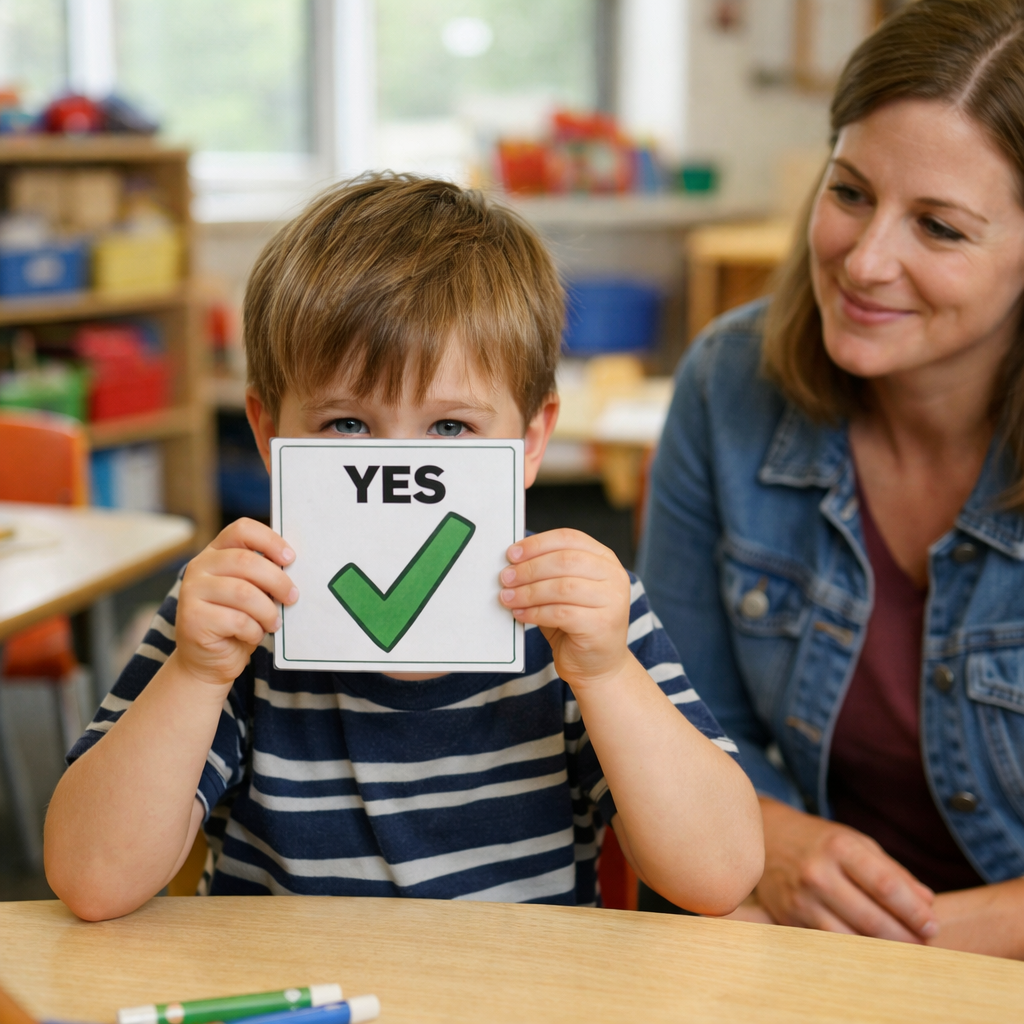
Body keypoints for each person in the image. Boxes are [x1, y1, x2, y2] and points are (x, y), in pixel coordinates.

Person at [44, 174, 763, 922]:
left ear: (532, 440)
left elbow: (717, 875)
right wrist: (195, 674)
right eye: (347, 425)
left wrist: (609, 673)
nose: (393, 471)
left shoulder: (581, 622)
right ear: (267, 434)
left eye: (451, 429)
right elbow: (91, 879)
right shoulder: (234, 617)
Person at [638, 0, 1024, 959]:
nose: (865, 258)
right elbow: (686, 714)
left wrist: (915, 939)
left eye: (938, 227)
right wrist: (771, 840)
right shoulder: (730, 380)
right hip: (794, 943)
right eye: (850, 192)